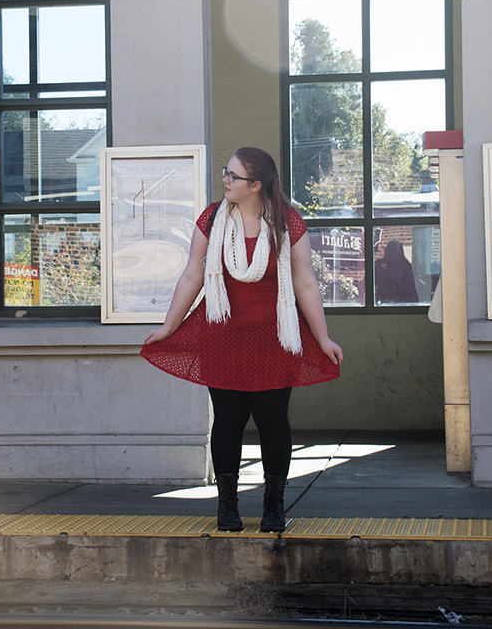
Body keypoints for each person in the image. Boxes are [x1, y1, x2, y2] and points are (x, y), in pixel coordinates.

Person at [141, 147, 342, 533]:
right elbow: (191, 276)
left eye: (233, 175)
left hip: (275, 338)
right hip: (224, 337)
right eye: (225, 172)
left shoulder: (287, 222)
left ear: (256, 185)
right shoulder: (213, 217)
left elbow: (305, 283)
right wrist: (169, 326)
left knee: (272, 421)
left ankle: (273, 505)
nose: (225, 180)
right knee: (229, 421)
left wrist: (323, 337)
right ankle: (228, 506)